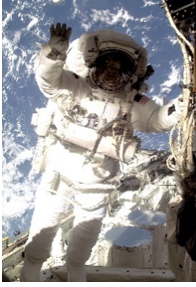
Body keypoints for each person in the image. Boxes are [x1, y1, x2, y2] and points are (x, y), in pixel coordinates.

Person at [23, 24, 183, 282]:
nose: (112, 73)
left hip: (97, 186)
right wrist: (54, 54)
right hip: (59, 178)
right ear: (94, 64)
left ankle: (77, 271)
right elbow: (47, 80)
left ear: (130, 75)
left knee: (82, 246)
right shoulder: (75, 85)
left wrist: (183, 103)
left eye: (120, 69)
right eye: (107, 65)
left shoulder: (133, 102)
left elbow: (156, 120)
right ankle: (30, 273)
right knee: (41, 239)